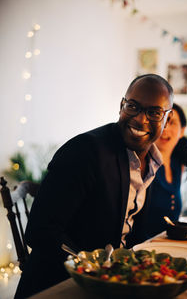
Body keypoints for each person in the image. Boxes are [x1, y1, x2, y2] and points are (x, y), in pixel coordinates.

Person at [14, 74, 173, 298]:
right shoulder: (85, 152)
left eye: (154, 112)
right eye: (133, 106)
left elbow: (134, 234)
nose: (140, 119)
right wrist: (93, 267)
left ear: (168, 117)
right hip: (60, 284)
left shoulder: (153, 162)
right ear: (121, 106)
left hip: (117, 285)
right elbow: (40, 231)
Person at [144, 103, 187, 239]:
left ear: (182, 131)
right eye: (162, 122)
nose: (165, 129)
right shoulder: (142, 162)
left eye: (172, 123)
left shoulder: (179, 164)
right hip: (146, 247)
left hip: (171, 243)